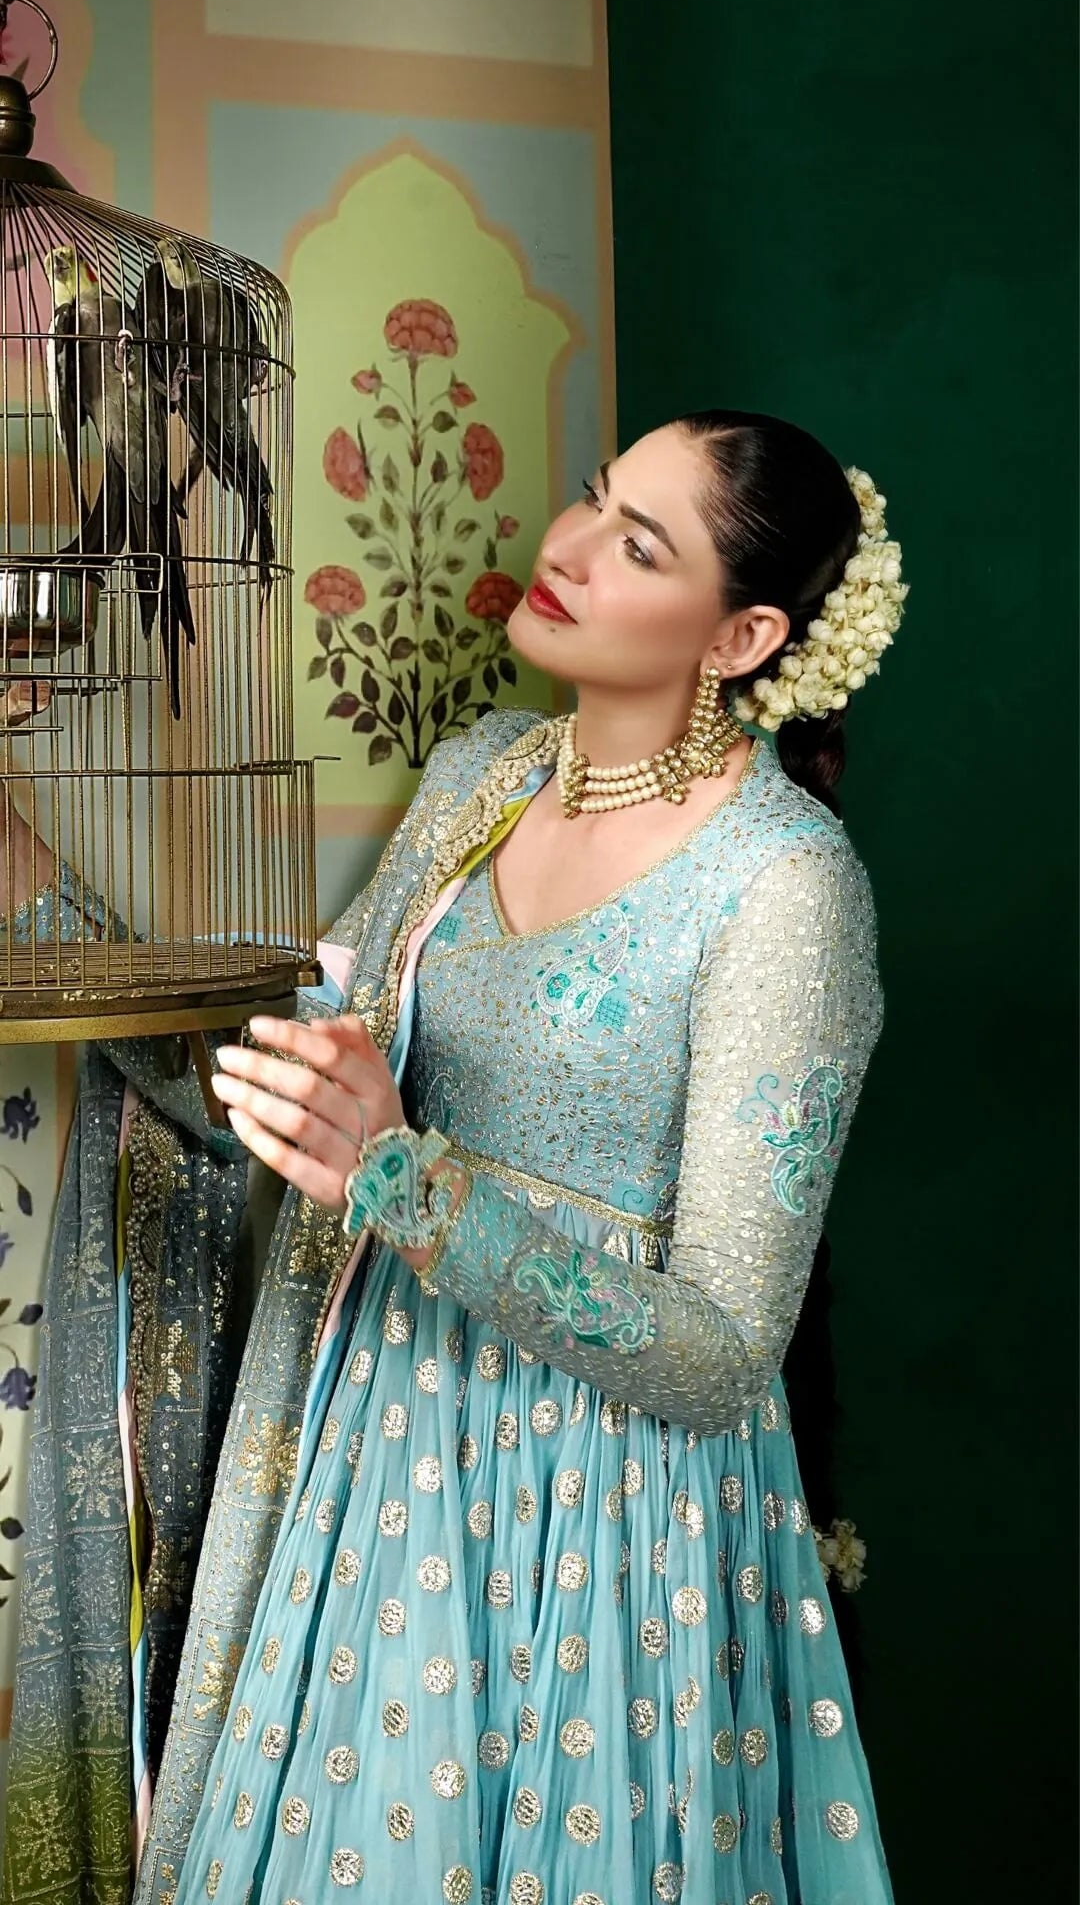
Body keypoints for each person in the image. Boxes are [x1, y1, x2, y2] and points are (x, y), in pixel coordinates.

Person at [10, 408, 906, 1905]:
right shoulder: (485, 773)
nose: (564, 549)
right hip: (382, 1444)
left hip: (603, 1518)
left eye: (639, 544)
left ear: (743, 635)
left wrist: (407, 1181)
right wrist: (25, 862)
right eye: (591, 500)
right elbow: (305, 1061)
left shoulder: (785, 888)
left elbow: (723, 1353)